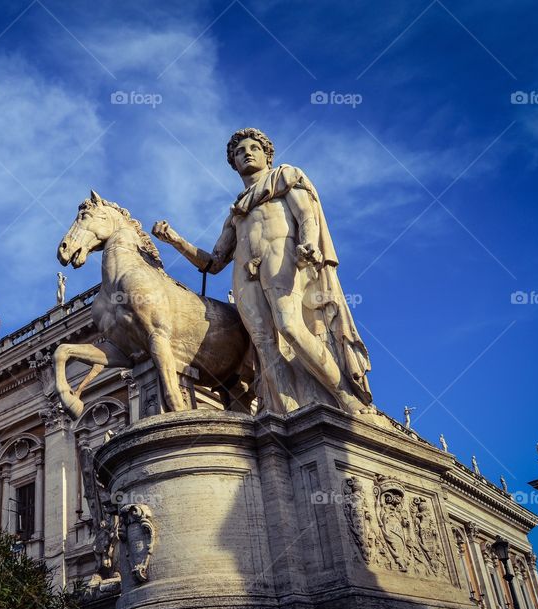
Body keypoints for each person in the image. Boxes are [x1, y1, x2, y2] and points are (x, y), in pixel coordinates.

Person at [153, 128, 374, 416]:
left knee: (289, 326)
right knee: (263, 345)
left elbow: (306, 215)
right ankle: (288, 413)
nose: (246, 153)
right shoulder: (237, 212)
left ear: (266, 155)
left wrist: (308, 243)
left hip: (282, 257)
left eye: (252, 147)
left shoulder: (284, 177)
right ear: (233, 164)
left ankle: (345, 398)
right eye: (238, 152)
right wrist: (176, 241)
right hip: (246, 274)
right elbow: (214, 262)